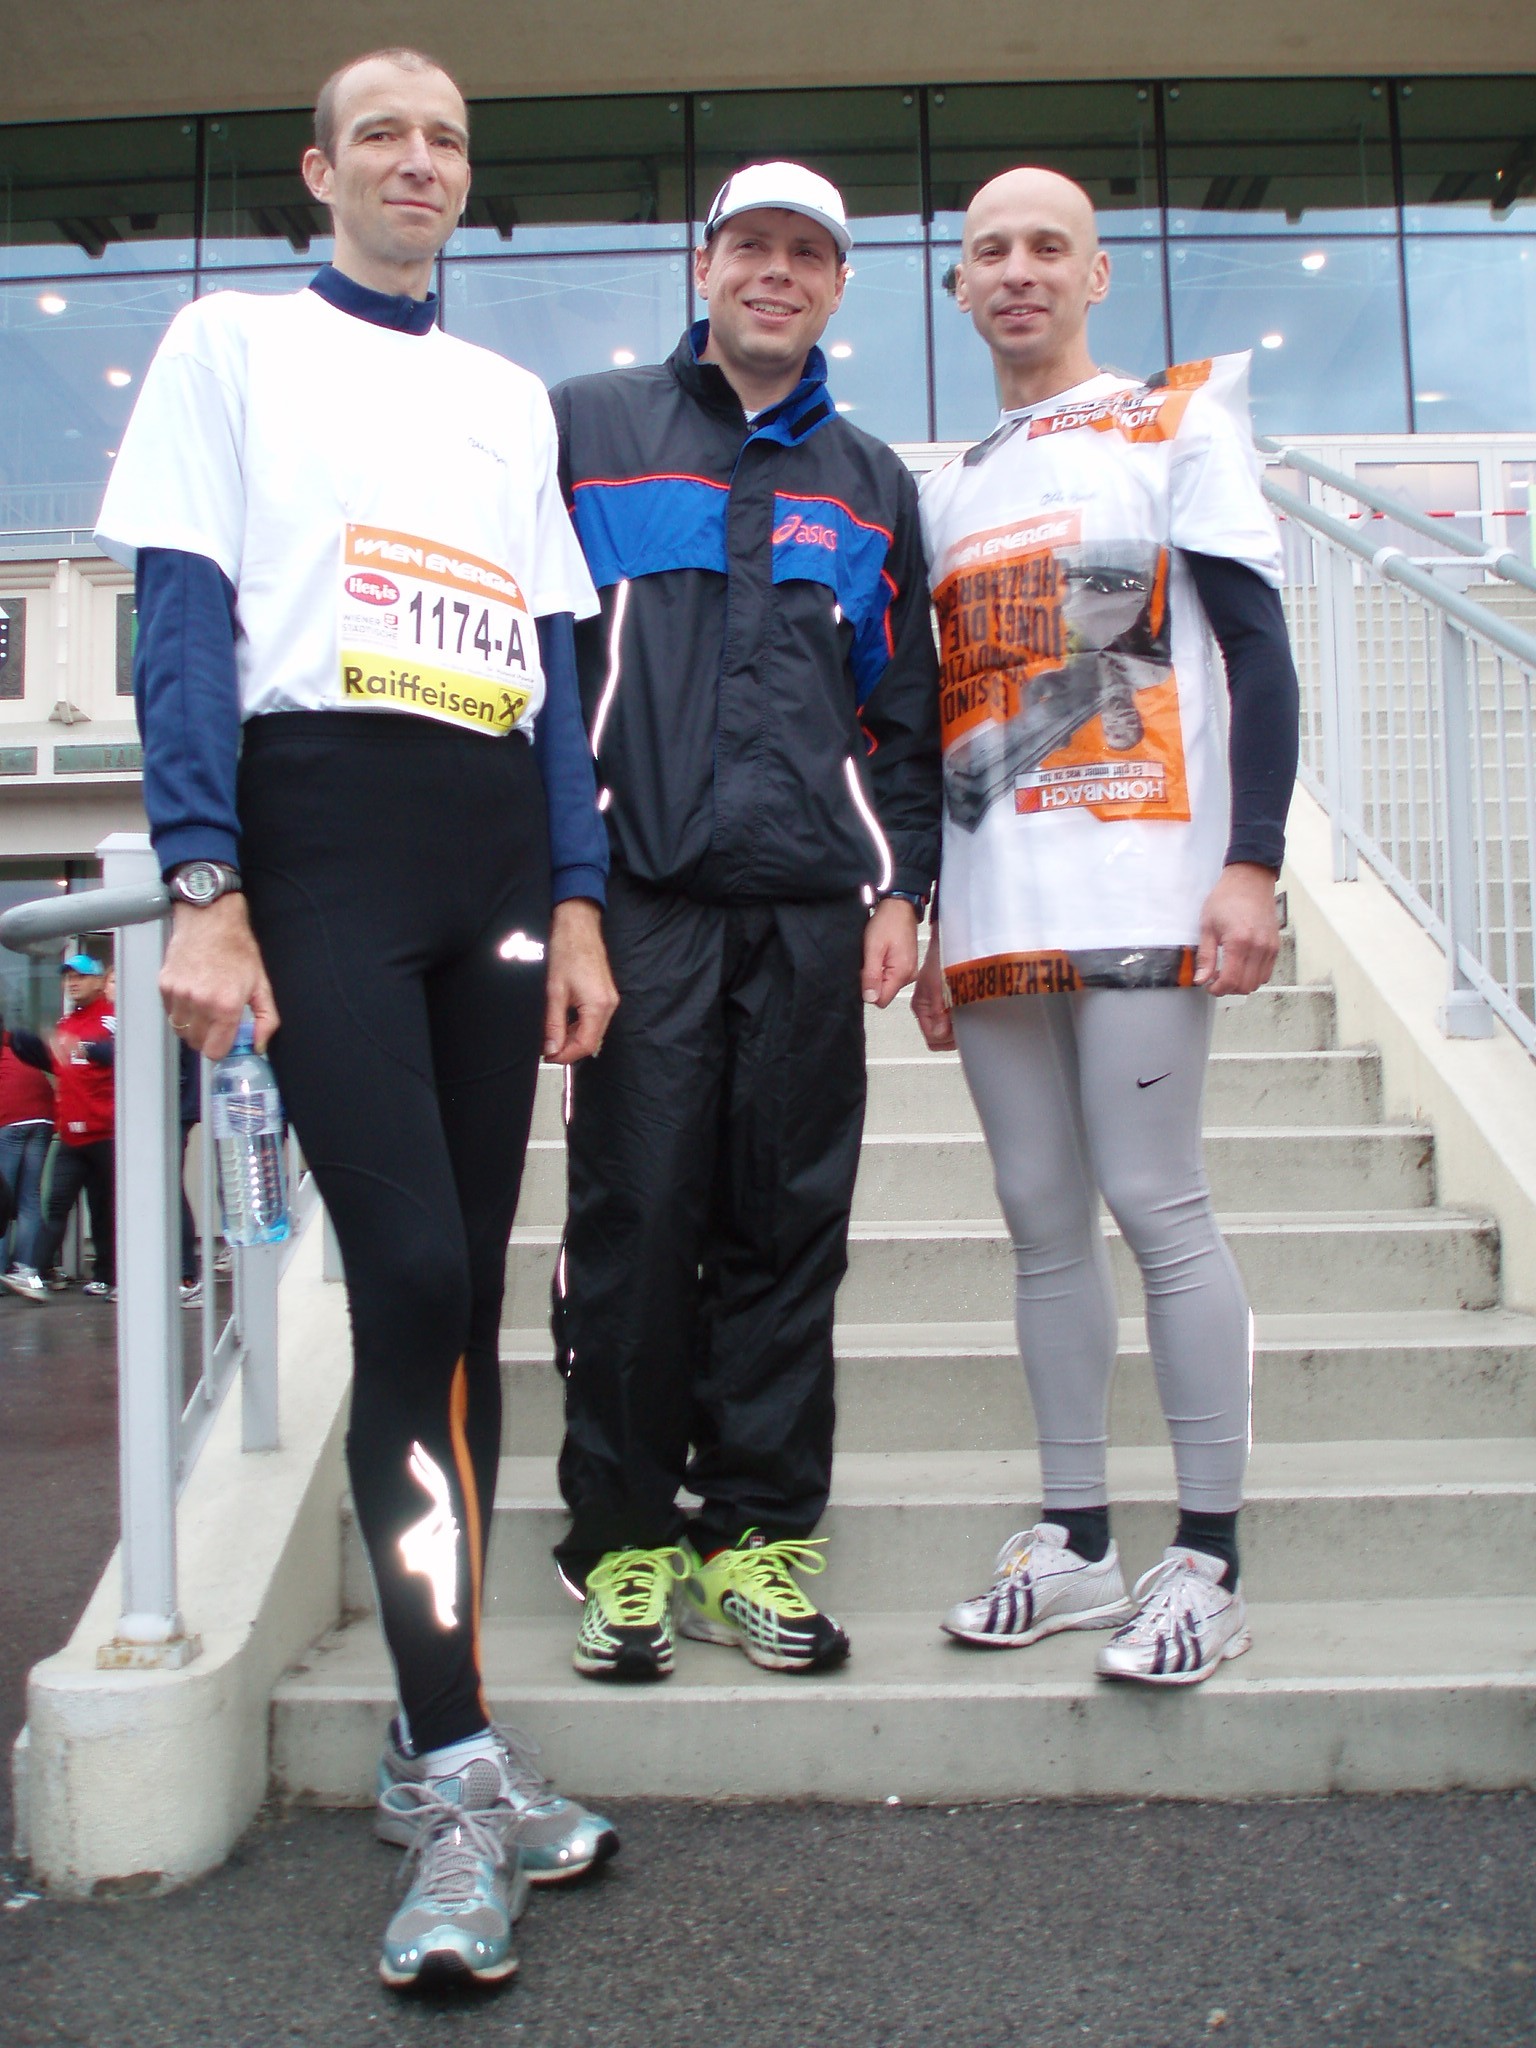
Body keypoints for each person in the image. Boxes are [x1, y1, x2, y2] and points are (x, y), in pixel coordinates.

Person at [94, 46, 621, 1991]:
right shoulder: (230, 345)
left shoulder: (503, 396)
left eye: (448, 137)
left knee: (459, 1301)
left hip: (493, 854)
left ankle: (434, 1725)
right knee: (400, 1269)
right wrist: (203, 877)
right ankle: (458, 1768)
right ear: (319, 171)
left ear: (467, 181)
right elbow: (180, 611)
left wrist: (578, 893)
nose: (419, 158)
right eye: (382, 132)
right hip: (317, 834)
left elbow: (552, 664)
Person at [549, 162, 941, 1683]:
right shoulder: (590, 429)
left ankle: (756, 1538)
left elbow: (901, 711)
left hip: (807, 915)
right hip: (640, 903)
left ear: (836, 286)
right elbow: (538, 676)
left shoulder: (870, 478)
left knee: (786, 1228)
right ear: (703, 266)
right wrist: (564, 896)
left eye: (808, 254)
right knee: (637, 1224)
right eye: (751, 246)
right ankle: (623, 1544)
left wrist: (900, 887)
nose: (777, 271)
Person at [912, 168, 1299, 1686]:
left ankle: (1209, 1558)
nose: (1018, 270)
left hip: (1144, 892)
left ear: (1096, 273)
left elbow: (1258, 655)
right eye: (989, 250)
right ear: (958, 285)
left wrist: (1253, 862)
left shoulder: (1176, 422)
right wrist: (931, 918)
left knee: (1155, 1200)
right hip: (995, 910)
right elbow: (948, 719)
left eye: (1047, 246)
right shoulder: (947, 486)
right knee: (1037, 1218)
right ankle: (1076, 1539)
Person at [18, 955, 118, 1301]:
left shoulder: (111, 1017)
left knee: (104, 1210)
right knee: (55, 1205)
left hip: (106, 1133)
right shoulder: (67, 1022)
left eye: (80, 976)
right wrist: (23, 1042)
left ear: (99, 981)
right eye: (68, 977)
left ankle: (107, 1276)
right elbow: (60, 1065)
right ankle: (33, 1273)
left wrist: (84, 1047)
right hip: (72, 1135)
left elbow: (115, 1053)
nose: (72, 983)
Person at [0, 1004, 57, 1296]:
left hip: (9, 1119)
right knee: (29, 1198)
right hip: (43, 1119)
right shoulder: (16, 1044)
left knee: (2, 1198)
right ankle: (26, 1270)